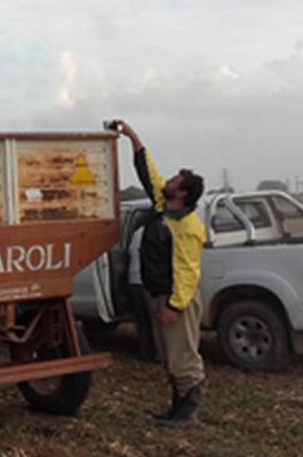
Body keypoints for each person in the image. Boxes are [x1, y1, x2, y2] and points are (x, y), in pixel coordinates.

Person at [111, 119, 206, 426]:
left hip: (177, 299)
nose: (168, 180)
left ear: (183, 194)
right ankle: (176, 409)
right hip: (161, 295)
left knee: (183, 357)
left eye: (175, 180)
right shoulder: (166, 209)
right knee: (170, 356)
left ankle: (186, 413)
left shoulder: (187, 227)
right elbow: (148, 172)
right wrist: (132, 137)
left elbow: (187, 271)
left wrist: (174, 306)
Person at [126, 220, 159, 362]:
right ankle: (159, 353)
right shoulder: (156, 232)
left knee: (142, 320)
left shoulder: (137, 233)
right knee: (155, 319)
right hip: (147, 280)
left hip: (133, 280)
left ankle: (146, 353)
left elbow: (129, 252)